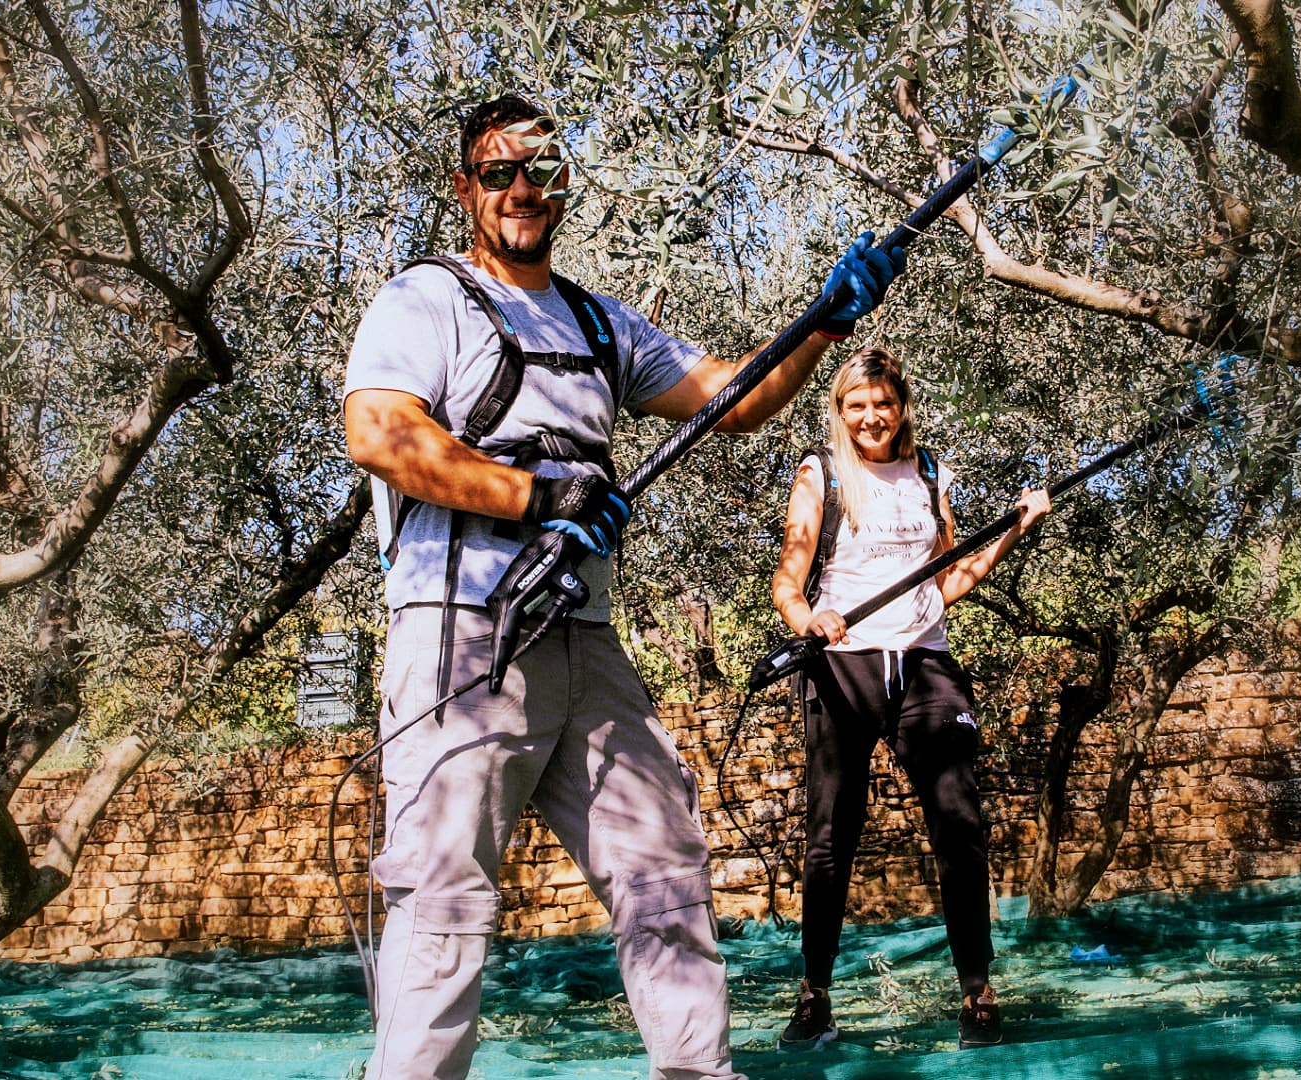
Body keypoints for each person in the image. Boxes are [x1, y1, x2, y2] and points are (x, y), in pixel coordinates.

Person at [341, 94, 904, 1080]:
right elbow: (380, 436)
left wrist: (823, 321)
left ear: (566, 186)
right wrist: (540, 495)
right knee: (444, 899)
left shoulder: (601, 324)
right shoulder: (423, 300)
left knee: (663, 869)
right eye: (499, 170)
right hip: (461, 635)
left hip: (584, 643)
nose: (523, 188)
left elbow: (734, 398)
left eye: (542, 170)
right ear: (465, 187)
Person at [767, 347, 1050, 1051]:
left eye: (883, 404)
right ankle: (815, 996)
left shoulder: (929, 474)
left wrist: (1015, 529)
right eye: (857, 405)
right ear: (840, 409)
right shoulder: (821, 475)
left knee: (959, 818)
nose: (871, 417)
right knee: (832, 832)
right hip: (843, 666)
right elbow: (787, 585)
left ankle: (977, 993)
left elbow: (947, 581)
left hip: (924, 663)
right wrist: (812, 622)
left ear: (901, 405)